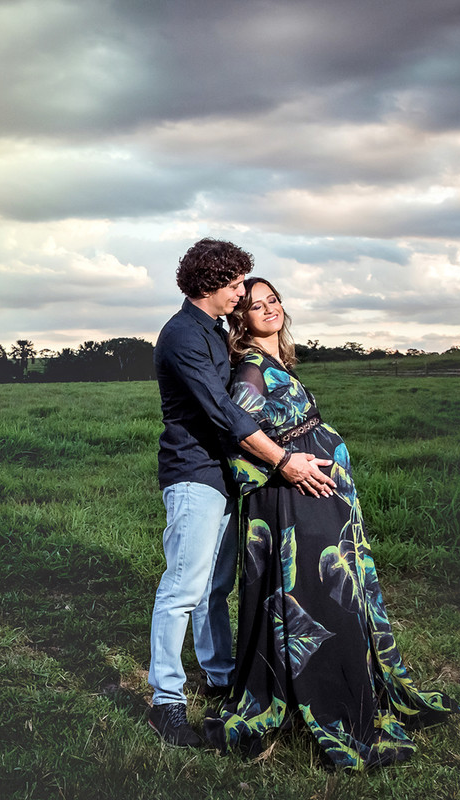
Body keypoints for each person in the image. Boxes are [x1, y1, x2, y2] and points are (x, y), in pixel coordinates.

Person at [202, 277, 460, 769]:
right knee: (316, 594)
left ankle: (342, 680)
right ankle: (332, 698)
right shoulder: (252, 369)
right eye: (256, 306)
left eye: (273, 300)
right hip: (297, 494)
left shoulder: (277, 361)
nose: (269, 309)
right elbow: (236, 431)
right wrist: (287, 465)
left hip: (317, 490)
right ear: (242, 320)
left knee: (330, 588)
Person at [148, 240, 336, 748]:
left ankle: (218, 674)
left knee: (215, 586)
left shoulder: (210, 330)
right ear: (210, 285)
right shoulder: (183, 335)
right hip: (195, 474)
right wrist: (281, 461)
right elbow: (224, 413)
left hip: (225, 475)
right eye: (235, 285)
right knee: (183, 588)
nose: (241, 294)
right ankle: (164, 699)